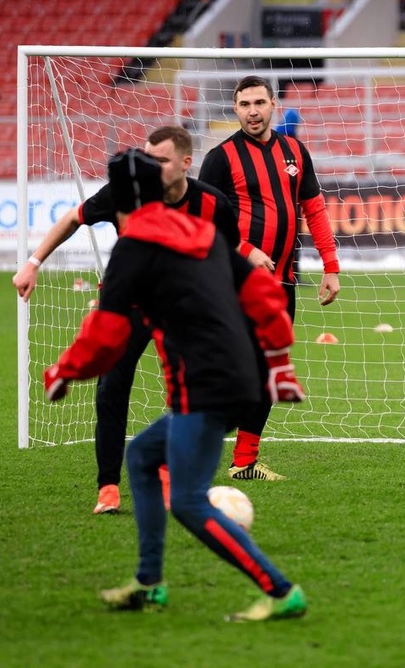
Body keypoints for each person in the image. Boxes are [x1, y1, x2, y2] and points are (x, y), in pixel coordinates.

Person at [43, 148, 307, 621]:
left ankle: (281, 589)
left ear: (119, 199)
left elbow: (107, 337)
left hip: (205, 385)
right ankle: (149, 582)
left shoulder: (134, 247)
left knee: (186, 501)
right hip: (239, 373)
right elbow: (266, 293)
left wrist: (62, 372)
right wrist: (278, 362)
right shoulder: (200, 231)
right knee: (142, 457)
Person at [13, 126, 239, 515]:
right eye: (148, 159)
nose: (152, 167)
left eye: (162, 161)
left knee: (197, 393)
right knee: (111, 389)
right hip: (129, 305)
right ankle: (108, 488)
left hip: (181, 311)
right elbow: (72, 219)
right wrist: (33, 264)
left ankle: (169, 469)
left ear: (186, 164)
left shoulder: (214, 205)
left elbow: (226, 257)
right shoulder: (125, 191)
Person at [199, 75, 341, 482]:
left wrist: (330, 267)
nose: (253, 111)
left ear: (273, 104)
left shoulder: (295, 150)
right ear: (235, 107)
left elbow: (313, 209)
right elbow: (202, 220)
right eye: (244, 104)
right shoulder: (221, 158)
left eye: (259, 103)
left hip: (282, 282)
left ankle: (244, 461)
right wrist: (244, 249)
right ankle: (188, 445)